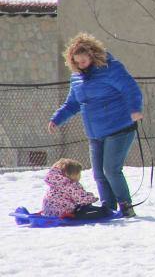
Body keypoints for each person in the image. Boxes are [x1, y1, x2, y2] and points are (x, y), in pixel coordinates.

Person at [48, 33, 143, 218]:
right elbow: (73, 103)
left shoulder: (110, 68)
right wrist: (56, 119)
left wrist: (135, 109)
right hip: (95, 132)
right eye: (77, 62)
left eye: (84, 60)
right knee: (99, 173)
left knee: (111, 169)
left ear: (93, 55)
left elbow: (130, 88)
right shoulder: (76, 77)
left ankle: (126, 207)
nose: (81, 65)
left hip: (119, 127)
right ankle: (108, 208)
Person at [42, 158, 111, 219]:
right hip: (63, 214)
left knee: (80, 206)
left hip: (49, 213)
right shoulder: (70, 185)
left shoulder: (56, 183)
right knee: (88, 211)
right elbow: (82, 198)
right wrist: (92, 198)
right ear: (73, 174)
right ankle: (104, 211)